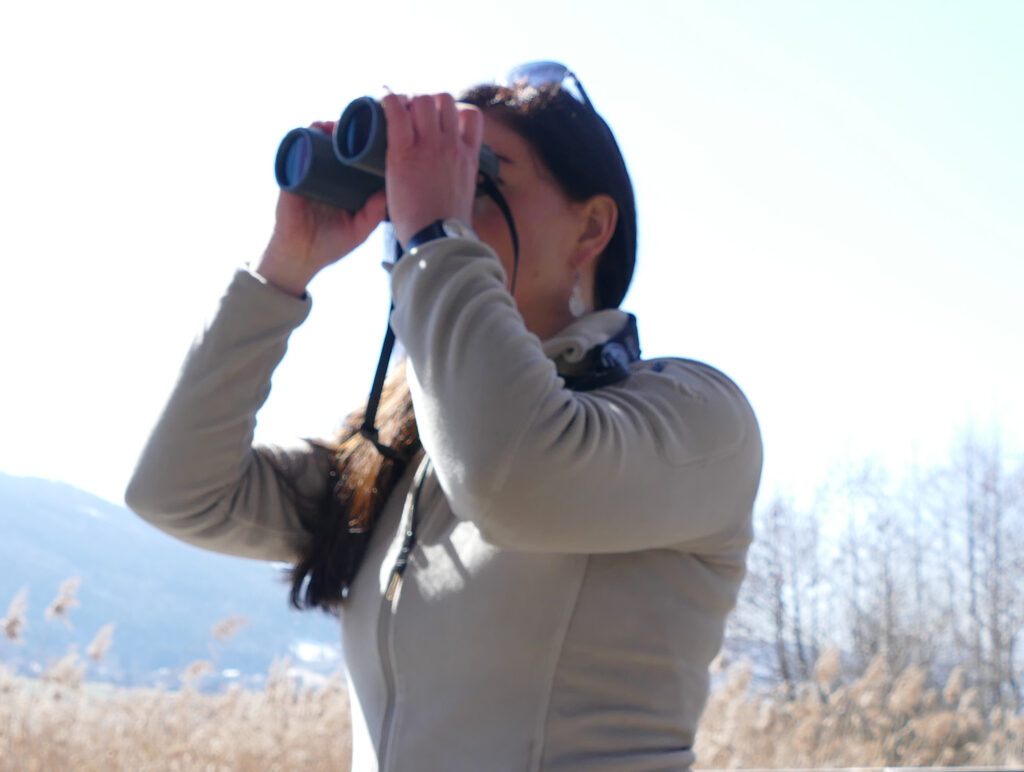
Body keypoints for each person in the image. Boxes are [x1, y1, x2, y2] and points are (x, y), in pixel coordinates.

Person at [126, 62, 763, 772]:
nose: (425, 204)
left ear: (590, 228)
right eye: (424, 181)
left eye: (475, 178)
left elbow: (509, 478)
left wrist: (434, 234)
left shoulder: (696, 420)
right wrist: (282, 270)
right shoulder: (398, 454)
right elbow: (178, 492)